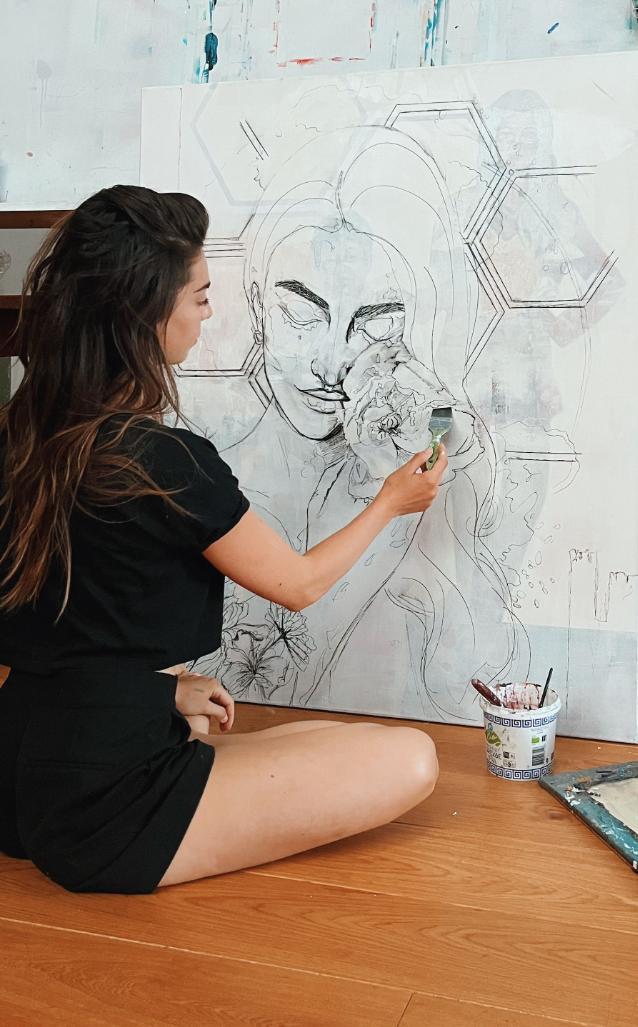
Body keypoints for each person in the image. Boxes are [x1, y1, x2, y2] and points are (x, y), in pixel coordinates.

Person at [0, 186, 443, 894]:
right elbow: (297, 584)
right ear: (146, 315)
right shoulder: (162, 462)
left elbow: (69, 629)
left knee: (351, 740)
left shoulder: (21, 434)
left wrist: (162, 695)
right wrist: (391, 502)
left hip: (20, 763)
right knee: (414, 758)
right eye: (200, 298)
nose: (208, 316)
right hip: (103, 807)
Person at [213, 126, 527, 721]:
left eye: (377, 322)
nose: (331, 364)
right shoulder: (209, 477)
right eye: (300, 313)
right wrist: (381, 507)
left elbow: (480, 676)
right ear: (255, 302)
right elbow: (270, 663)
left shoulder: (442, 456)